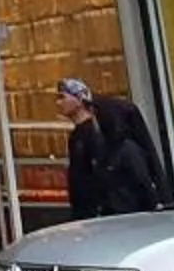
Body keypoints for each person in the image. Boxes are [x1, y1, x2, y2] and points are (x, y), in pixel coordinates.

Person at [60, 77, 164, 220]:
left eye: (62, 97)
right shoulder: (86, 140)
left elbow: (142, 184)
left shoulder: (124, 149)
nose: (59, 103)